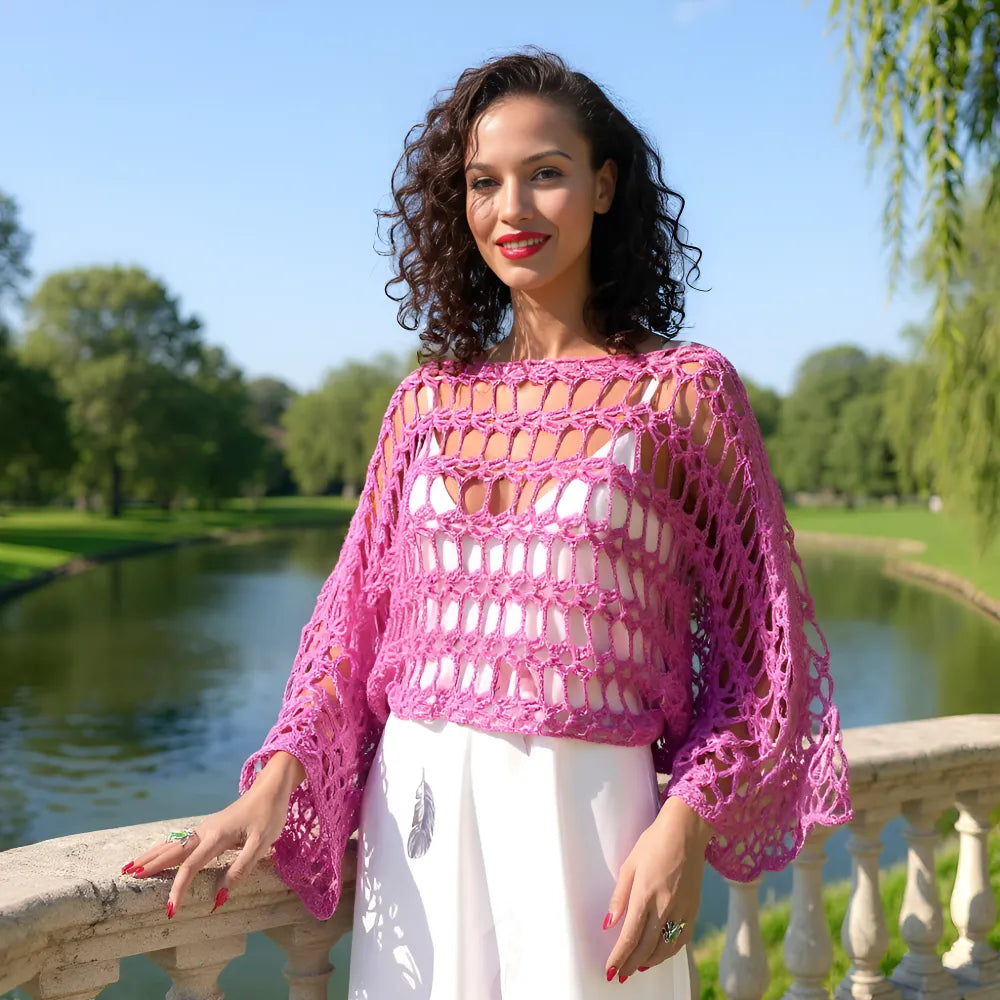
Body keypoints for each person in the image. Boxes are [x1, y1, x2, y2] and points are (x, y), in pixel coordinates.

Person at [119, 47, 852, 997]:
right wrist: (274, 781)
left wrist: (687, 819)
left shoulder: (680, 396)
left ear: (602, 186)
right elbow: (351, 634)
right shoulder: (424, 405)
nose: (512, 209)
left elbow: (766, 661)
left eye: (545, 174)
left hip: (586, 829)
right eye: (483, 182)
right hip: (416, 837)